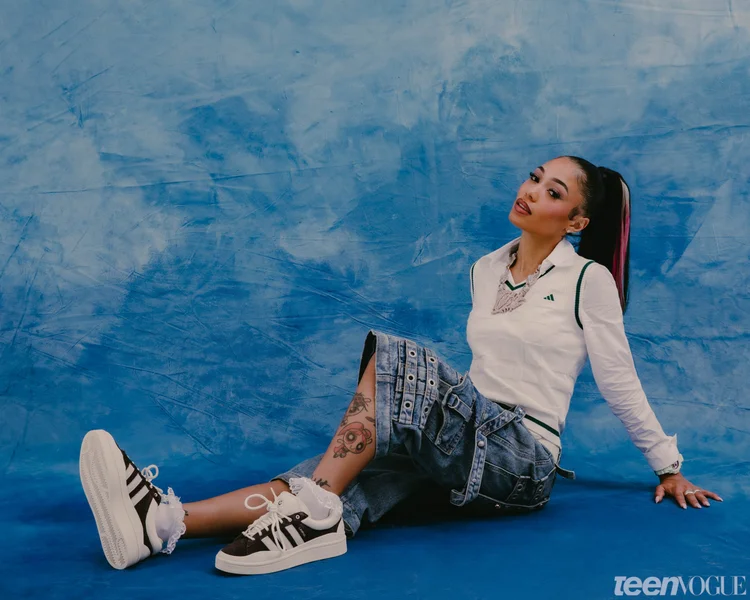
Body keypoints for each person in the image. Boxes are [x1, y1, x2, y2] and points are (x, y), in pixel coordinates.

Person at [79, 155, 723, 576]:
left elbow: (619, 380)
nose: (531, 192)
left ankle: (315, 515)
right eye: (534, 177)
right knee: (335, 471)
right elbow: (484, 374)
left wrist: (668, 466)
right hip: (465, 441)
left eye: (552, 192)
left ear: (577, 221)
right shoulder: (486, 268)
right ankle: (164, 522)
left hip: (522, 460)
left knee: (399, 358)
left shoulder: (588, 281)